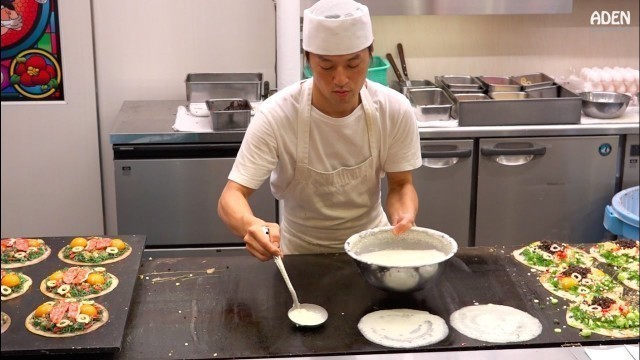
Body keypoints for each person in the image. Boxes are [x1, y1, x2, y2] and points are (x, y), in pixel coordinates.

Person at [218, 0, 422, 261]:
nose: (340, 79)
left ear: (370, 56)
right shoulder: (277, 115)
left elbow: (401, 184)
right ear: (308, 61)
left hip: (373, 252)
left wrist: (404, 216)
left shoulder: (394, 108)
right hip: (300, 257)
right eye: (326, 66)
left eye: (352, 64)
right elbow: (231, 196)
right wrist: (251, 225)